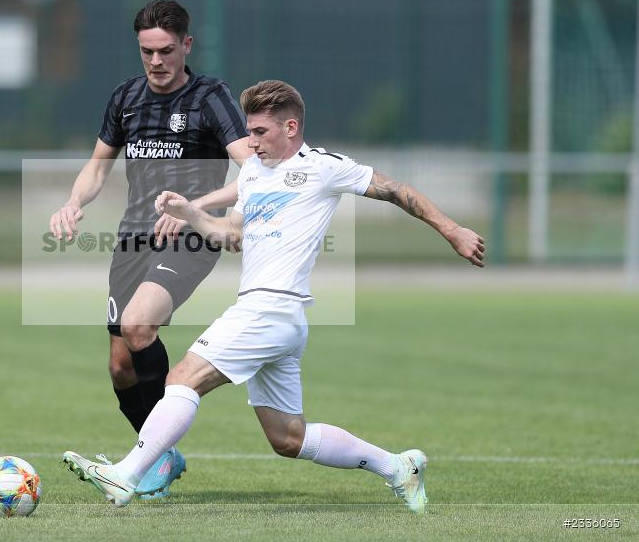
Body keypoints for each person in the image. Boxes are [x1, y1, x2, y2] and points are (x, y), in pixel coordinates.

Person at [62, 80, 485, 513]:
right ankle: (398, 466)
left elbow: (398, 191)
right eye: (249, 131)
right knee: (288, 438)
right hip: (276, 315)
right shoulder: (252, 173)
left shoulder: (323, 166)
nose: (251, 142)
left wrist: (453, 231)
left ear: (290, 126)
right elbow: (232, 236)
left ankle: (127, 475)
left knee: (181, 379)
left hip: (272, 307)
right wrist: (189, 212)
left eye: (260, 132)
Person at [48, 0, 253, 498]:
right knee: (120, 366)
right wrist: (74, 202)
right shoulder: (126, 98)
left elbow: (254, 169)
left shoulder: (211, 97)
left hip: (190, 235)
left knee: (140, 325)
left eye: (165, 50)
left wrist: (194, 208)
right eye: (147, 52)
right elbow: (98, 167)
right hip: (133, 238)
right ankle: (160, 454)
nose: (156, 61)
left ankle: (144, 463)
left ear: (186, 45)